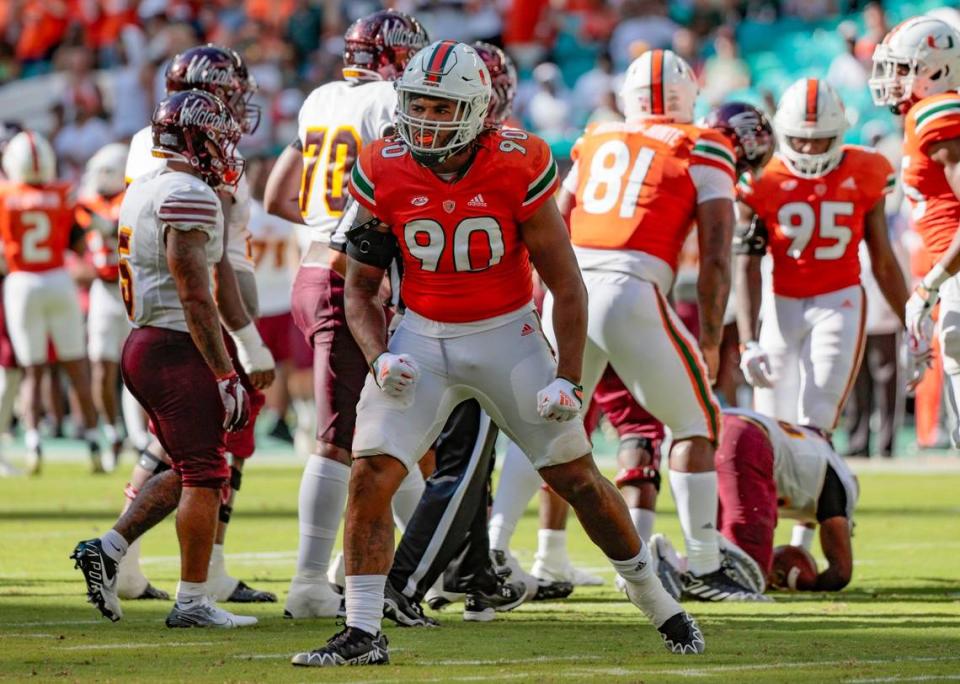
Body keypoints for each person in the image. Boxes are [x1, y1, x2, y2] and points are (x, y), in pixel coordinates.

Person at [290, 40, 703, 668]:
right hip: (421, 338)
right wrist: (378, 357)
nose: (425, 118)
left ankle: (659, 604)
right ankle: (363, 632)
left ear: (479, 111)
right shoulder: (384, 164)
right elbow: (360, 289)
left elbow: (566, 283)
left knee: (578, 480)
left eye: (441, 105)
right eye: (417, 103)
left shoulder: (519, 160)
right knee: (370, 474)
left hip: (506, 335)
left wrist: (568, 377)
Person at [553, 49, 762, 602]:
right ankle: (703, 563)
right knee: (697, 421)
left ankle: (511, 549)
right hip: (631, 285)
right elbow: (718, 256)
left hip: (574, 287)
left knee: (548, 425)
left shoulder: (596, 136)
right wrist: (714, 339)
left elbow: (553, 219)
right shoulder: (702, 143)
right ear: (688, 96)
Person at [262, 8, 430, 619]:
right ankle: (310, 582)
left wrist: (323, 223)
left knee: (390, 426)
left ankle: (434, 565)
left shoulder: (318, 99)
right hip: (349, 278)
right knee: (337, 438)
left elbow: (277, 193)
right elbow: (404, 185)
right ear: (395, 56)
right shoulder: (390, 100)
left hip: (314, 266)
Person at [71, 90, 257, 628]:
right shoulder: (187, 193)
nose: (225, 147)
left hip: (147, 339)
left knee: (185, 466)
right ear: (196, 137)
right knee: (206, 473)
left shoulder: (145, 186)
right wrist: (226, 371)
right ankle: (193, 601)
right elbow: (196, 291)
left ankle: (107, 548)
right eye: (217, 135)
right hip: (175, 345)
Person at [112, 44, 277, 605]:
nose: (238, 103)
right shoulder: (177, 166)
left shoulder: (194, 150)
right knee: (194, 453)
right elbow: (203, 261)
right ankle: (132, 558)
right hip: (189, 318)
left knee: (197, 451)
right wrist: (246, 342)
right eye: (229, 91)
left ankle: (155, 562)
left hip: (190, 311)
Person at [736, 78, 922, 433]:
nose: (808, 147)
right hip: (780, 303)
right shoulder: (761, 177)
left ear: (839, 132)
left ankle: (818, 486)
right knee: (773, 426)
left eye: (820, 136)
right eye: (800, 137)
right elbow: (746, 264)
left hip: (839, 300)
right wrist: (748, 340)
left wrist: (910, 325)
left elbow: (882, 259)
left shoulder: (866, 169)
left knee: (816, 419)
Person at [870, 16, 960, 445]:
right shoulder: (920, 117)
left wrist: (931, 285)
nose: (894, 79)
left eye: (905, 68)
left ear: (939, 70)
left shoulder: (937, 114)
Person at [656, 407, 859, 592]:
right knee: (748, 574)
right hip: (746, 440)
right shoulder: (840, 490)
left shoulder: (818, 467)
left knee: (715, 553)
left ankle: (672, 565)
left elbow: (806, 524)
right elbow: (840, 573)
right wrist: (807, 583)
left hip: (709, 427)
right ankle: (668, 563)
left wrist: (794, 564)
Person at [0, 130, 103, 475]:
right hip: (58, 280)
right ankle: (94, 441)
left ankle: (33, 441)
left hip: (22, 282)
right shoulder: (64, 194)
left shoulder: (5, 195)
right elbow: (78, 243)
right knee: (76, 367)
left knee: (32, 370)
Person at [76, 142, 129, 469]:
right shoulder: (87, 201)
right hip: (102, 290)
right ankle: (111, 431)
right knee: (101, 365)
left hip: (130, 289)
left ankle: (140, 437)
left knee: (136, 369)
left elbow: (110, 224)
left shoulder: (128, 198)